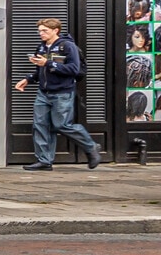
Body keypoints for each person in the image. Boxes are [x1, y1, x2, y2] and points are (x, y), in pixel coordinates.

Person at [17, 17, 100, 170]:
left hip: (62, 93)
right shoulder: (41, 47)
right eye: (40, 30)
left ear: (55, 31)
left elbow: (73, 69)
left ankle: (91, 146)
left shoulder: (67, 47)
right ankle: (44, 161)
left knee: (62, 125)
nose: (40, 33)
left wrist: (47, 63)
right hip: (43, 93)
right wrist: (28, 79)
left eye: (44, 31)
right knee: (40, 125)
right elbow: (40, 70)